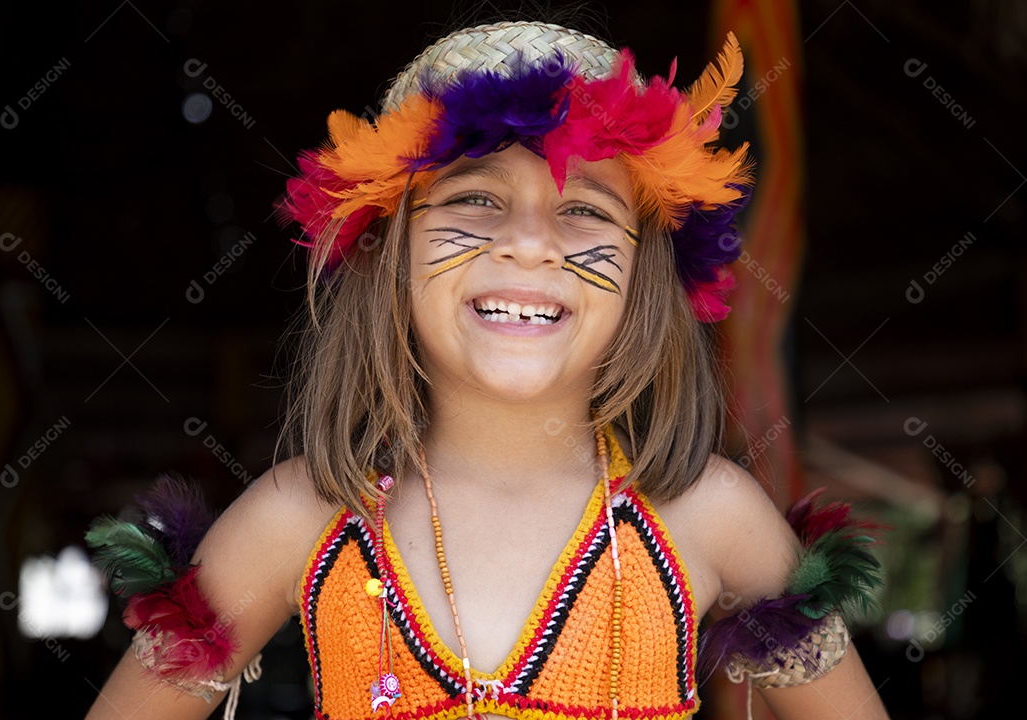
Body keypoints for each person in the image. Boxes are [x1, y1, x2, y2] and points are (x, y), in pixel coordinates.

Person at [84, 20, 888, 720]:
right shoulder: (297, 520)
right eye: (475, 199)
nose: (530, 244)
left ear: (645, 275)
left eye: (584, 210)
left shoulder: (713, 519)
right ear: (387, 252)